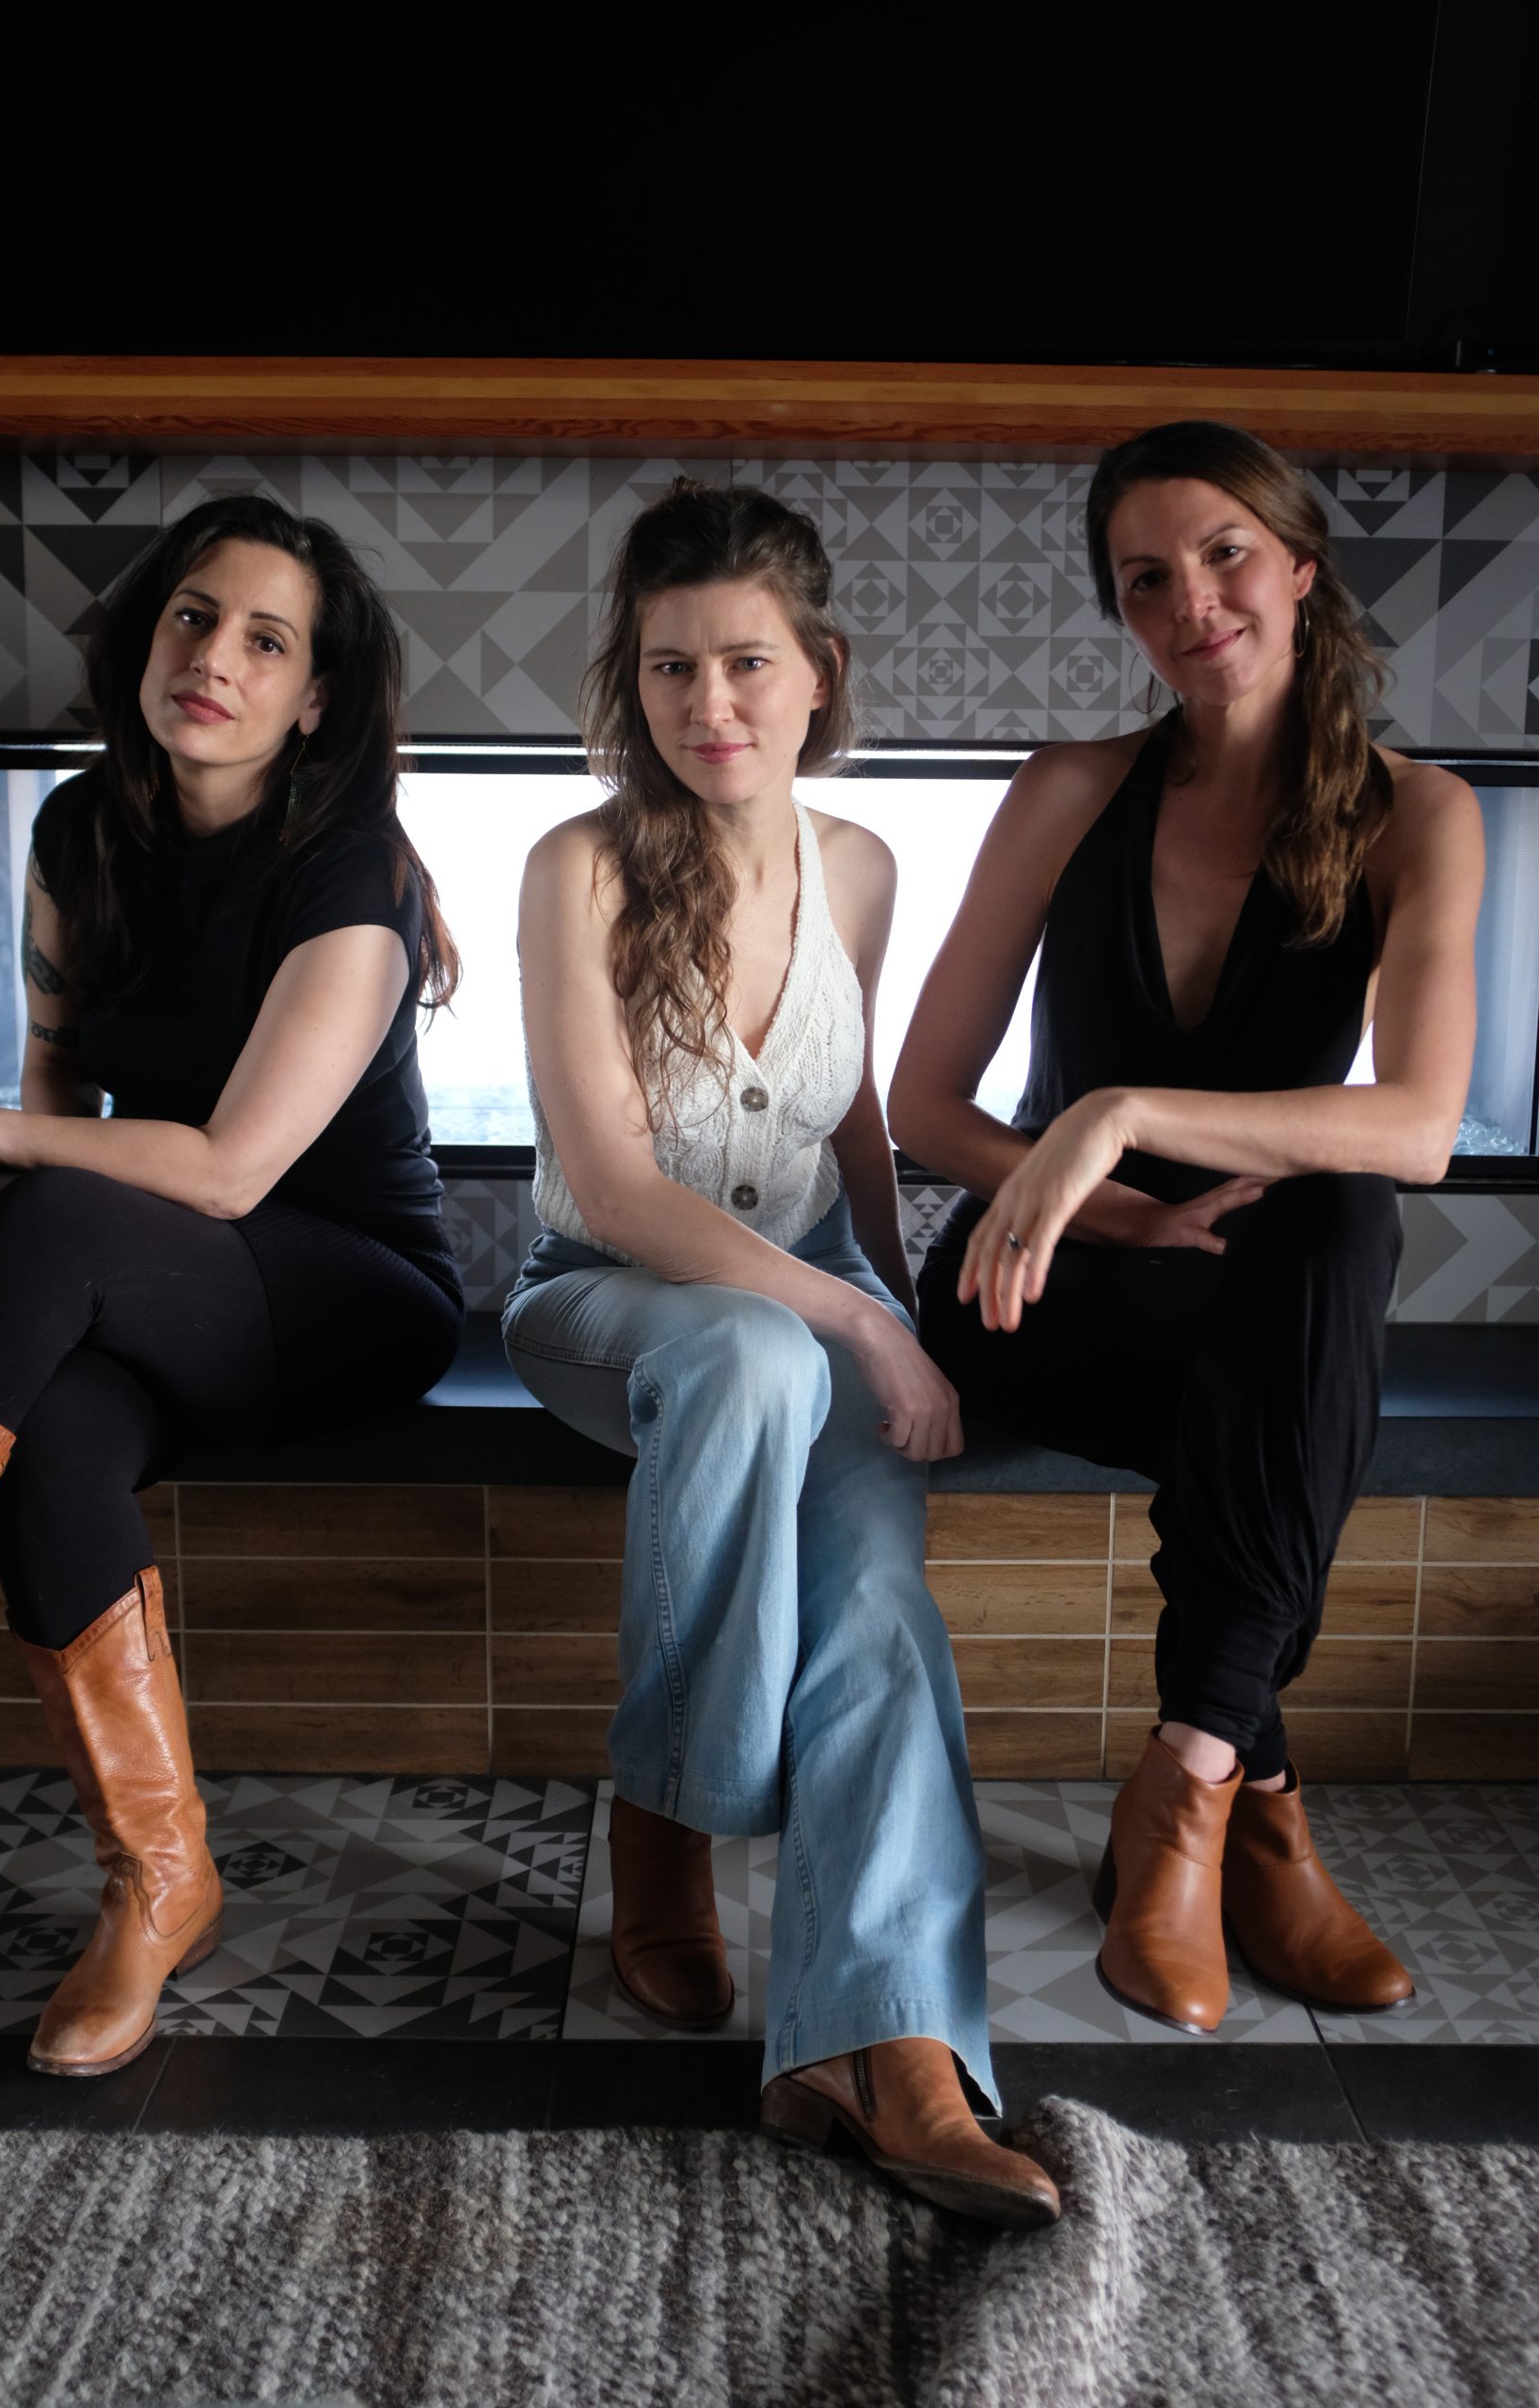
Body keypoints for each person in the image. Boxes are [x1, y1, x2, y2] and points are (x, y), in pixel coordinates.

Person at [503, 478, 1058, 2227]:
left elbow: (860, 1136)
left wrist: (903, 1312)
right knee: (753, 1356)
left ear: (819, 669)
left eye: (744, 662)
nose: (707, 705)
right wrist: (844, 1325)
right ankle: (670, 1811)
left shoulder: (866, 869)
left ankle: (883, 2052)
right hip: (609, 1297)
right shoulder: (576, 869)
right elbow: (610, 1182)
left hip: (816, 1293)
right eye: (669, 669)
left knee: (882, 1600)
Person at [892, 420, 1483, 2036]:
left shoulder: (1418, 815)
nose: (1190, 599)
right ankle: (1257, 1815)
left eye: (1224, 552)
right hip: (1038, 1281)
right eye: (1145, 578)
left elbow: (1418, 1125)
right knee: (1299, 1385)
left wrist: (1125, 1115)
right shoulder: (1072, 791)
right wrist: (1110, 1199)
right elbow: (923, 1106)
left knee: (1336, 1229)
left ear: (1300, 568)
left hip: (1257, 1293)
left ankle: (1194, 1786)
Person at [0, 496, 465, 2075]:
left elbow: (232, 1173)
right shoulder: (75, 836)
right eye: (190, 616)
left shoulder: (349, 870)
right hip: (154, 1288)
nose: (213, 657)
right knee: (62, 1431)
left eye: (265, 639)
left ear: (314, 698)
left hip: (350, 1292)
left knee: (41, 1209)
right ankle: (160, 1881)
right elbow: (70, 1108)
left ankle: (161, 1884)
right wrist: (18, 1153)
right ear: (145, 638)